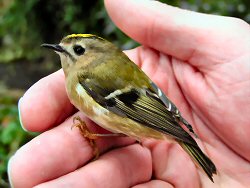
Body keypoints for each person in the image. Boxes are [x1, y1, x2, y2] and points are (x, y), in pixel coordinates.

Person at [8, 0, 250, 187]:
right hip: (158, 106)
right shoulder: (94, 71)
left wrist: (93, 134)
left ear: (93, 56)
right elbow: (150, 94)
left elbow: (133, 108)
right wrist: (178, 123)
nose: (64, 53)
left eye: (78, 51)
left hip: (147, 114)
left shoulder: (87, 78)